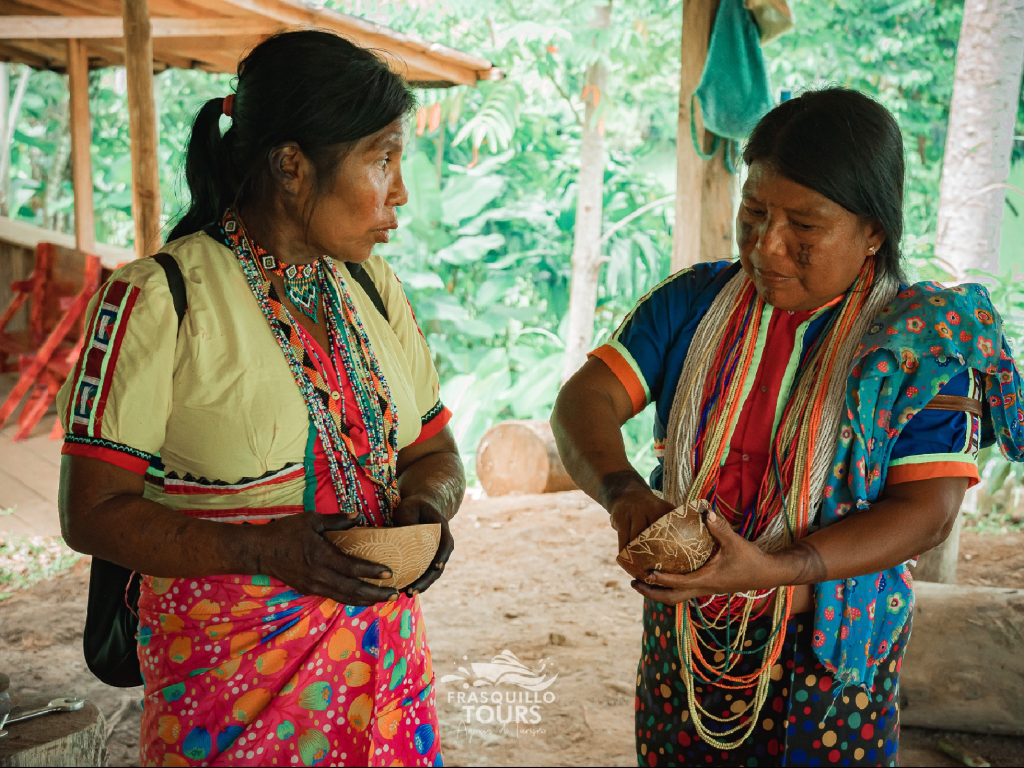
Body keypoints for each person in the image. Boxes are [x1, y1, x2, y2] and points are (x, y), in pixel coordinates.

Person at [551, 88, 1024, 767]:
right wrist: (624, 491)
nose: (767, 246)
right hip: (686, 640)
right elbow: (583, 401)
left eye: (805, 226)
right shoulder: (693, 303)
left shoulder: (915, 348)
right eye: (754, 213)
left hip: (832, 659)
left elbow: (928, 511)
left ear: (873, 232)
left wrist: (776, 569)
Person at [57, 31, 463, 768]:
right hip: (227, 700)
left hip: (387, 688)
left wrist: (425, 516)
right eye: (382, 158)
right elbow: (90, 513)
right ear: (291, 166)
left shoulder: (374, 291)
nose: (399, 189)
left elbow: (434, 452)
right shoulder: (158, 299)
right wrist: (263, 548)